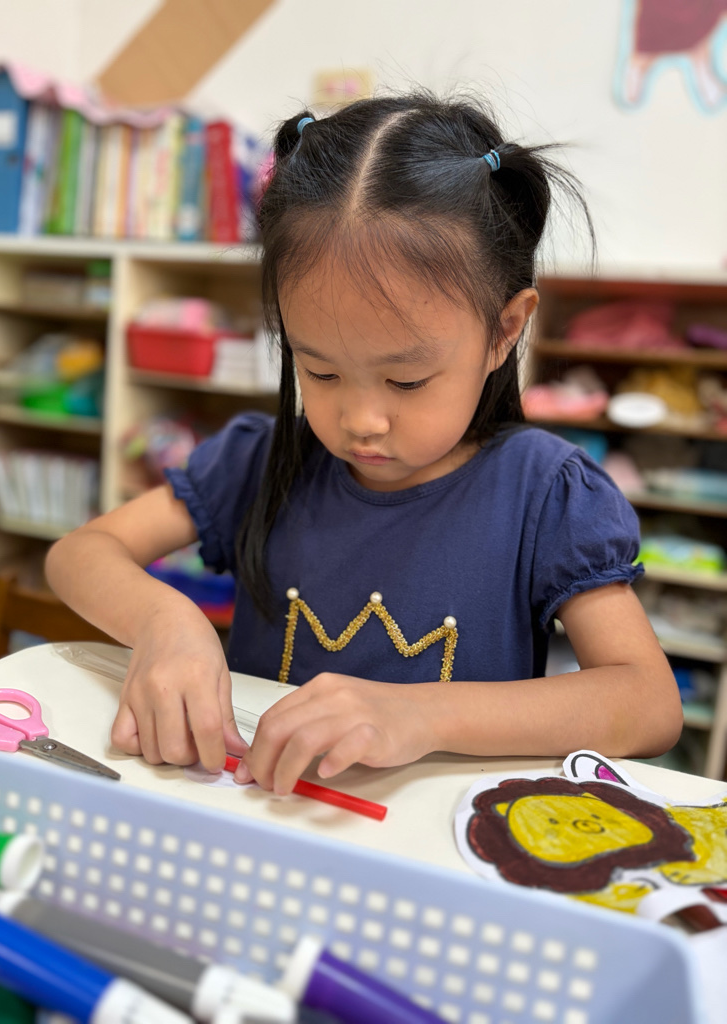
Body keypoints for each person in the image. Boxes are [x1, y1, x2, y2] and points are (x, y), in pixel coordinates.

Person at [45, 92, 682, 795]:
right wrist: (166, 620)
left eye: (406, 380)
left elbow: (648, 704)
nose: (361, 420)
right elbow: (79, 554)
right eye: (319, 370)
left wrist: (421, 714)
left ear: (505, 331)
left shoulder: (545, 494)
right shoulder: (260, 460)